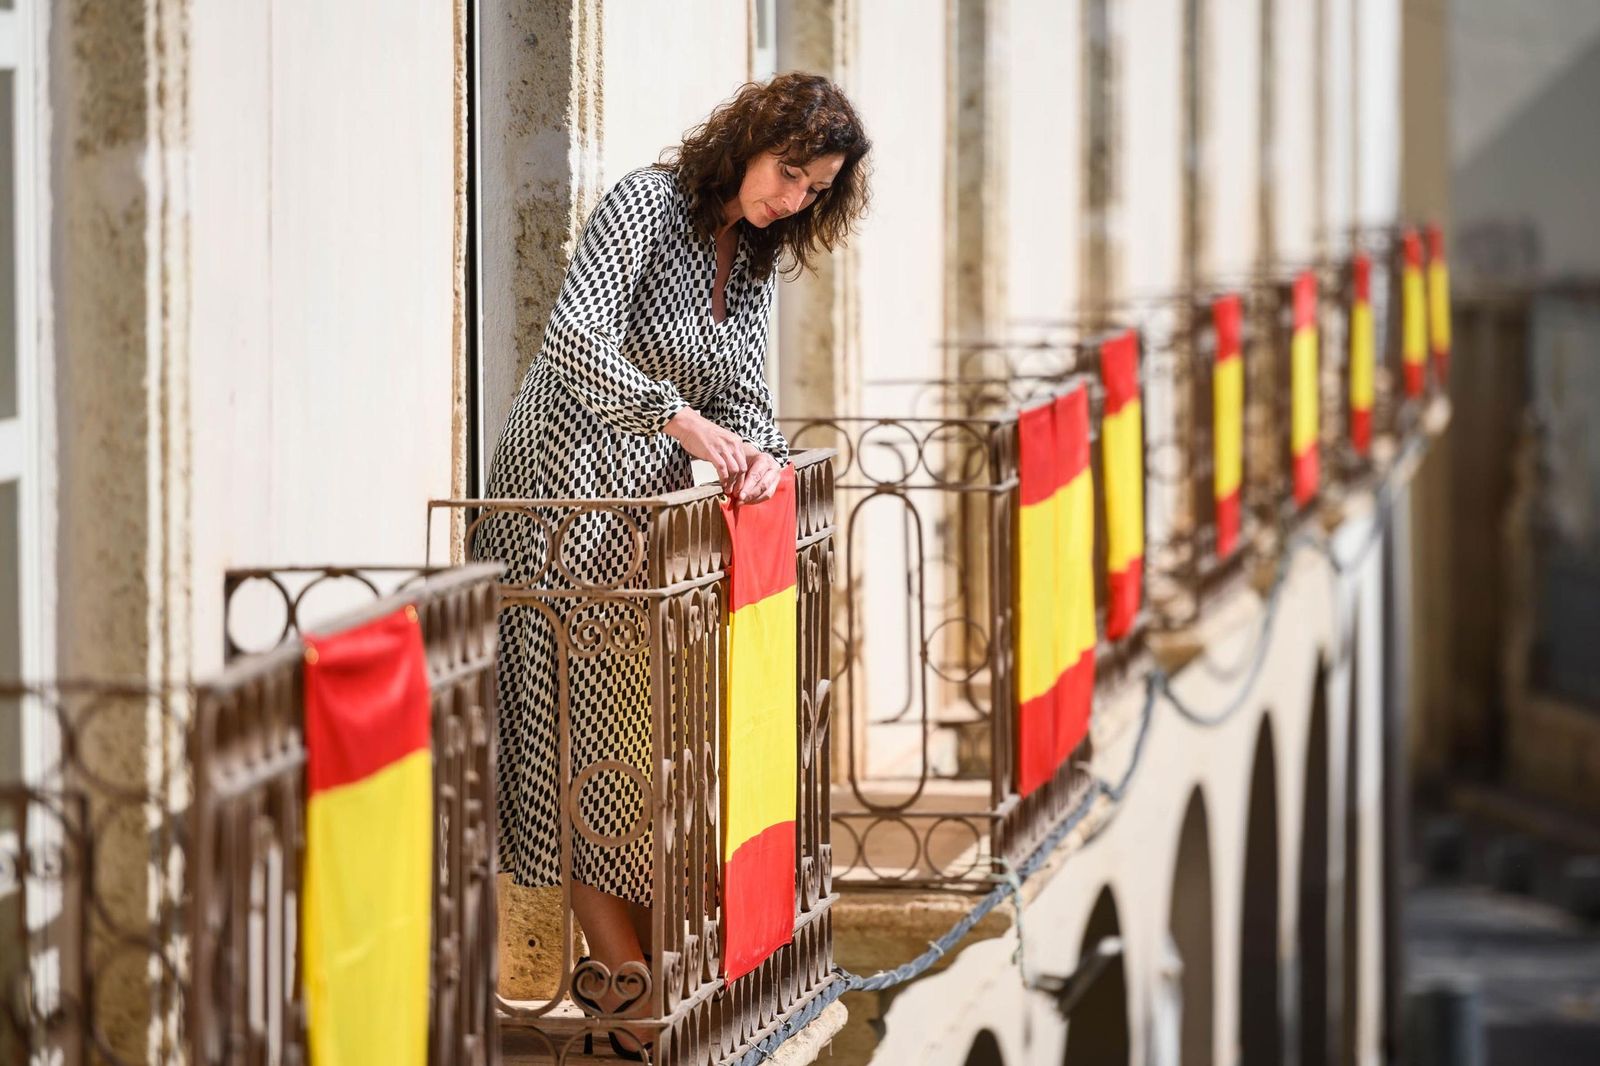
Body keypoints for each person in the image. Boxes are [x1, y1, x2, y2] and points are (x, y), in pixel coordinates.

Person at [474, 72, 870, 1057]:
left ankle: (650, 1002)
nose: (793, 198)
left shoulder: (753, 256)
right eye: (790, 173)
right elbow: (573, 337)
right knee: (567, 762)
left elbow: (738, 394)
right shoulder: (646, 204)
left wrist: (757, 457)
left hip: (637, 533)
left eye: (815, 190)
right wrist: (677, 422)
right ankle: (634, 1014)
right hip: (560, 502)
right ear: (746, 142)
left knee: (627, 768)